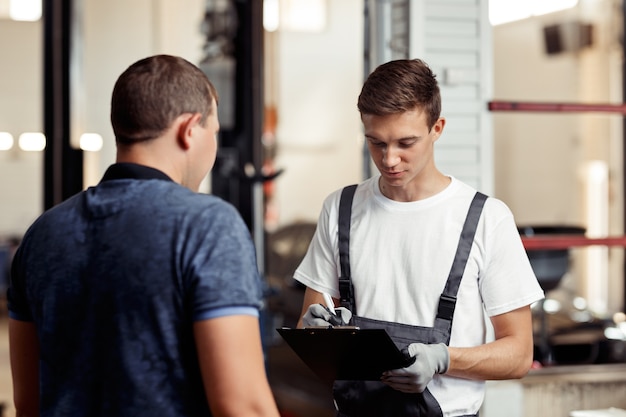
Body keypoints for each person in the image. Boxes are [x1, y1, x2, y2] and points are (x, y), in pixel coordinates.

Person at [7, 54, 280, 417]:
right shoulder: (208, 225)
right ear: (189, 128)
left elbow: (29, 403)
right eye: (213, 132)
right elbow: (242, 406)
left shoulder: (42, 234)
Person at [294, 58, 545, 417]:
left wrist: (444, 359)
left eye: (405, 142)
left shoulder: (486, 219)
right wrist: (314, 332)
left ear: (437, 128)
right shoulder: (341, 208)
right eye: (376, 142)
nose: (389, 159)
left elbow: (519, 355)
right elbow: (310, 323)